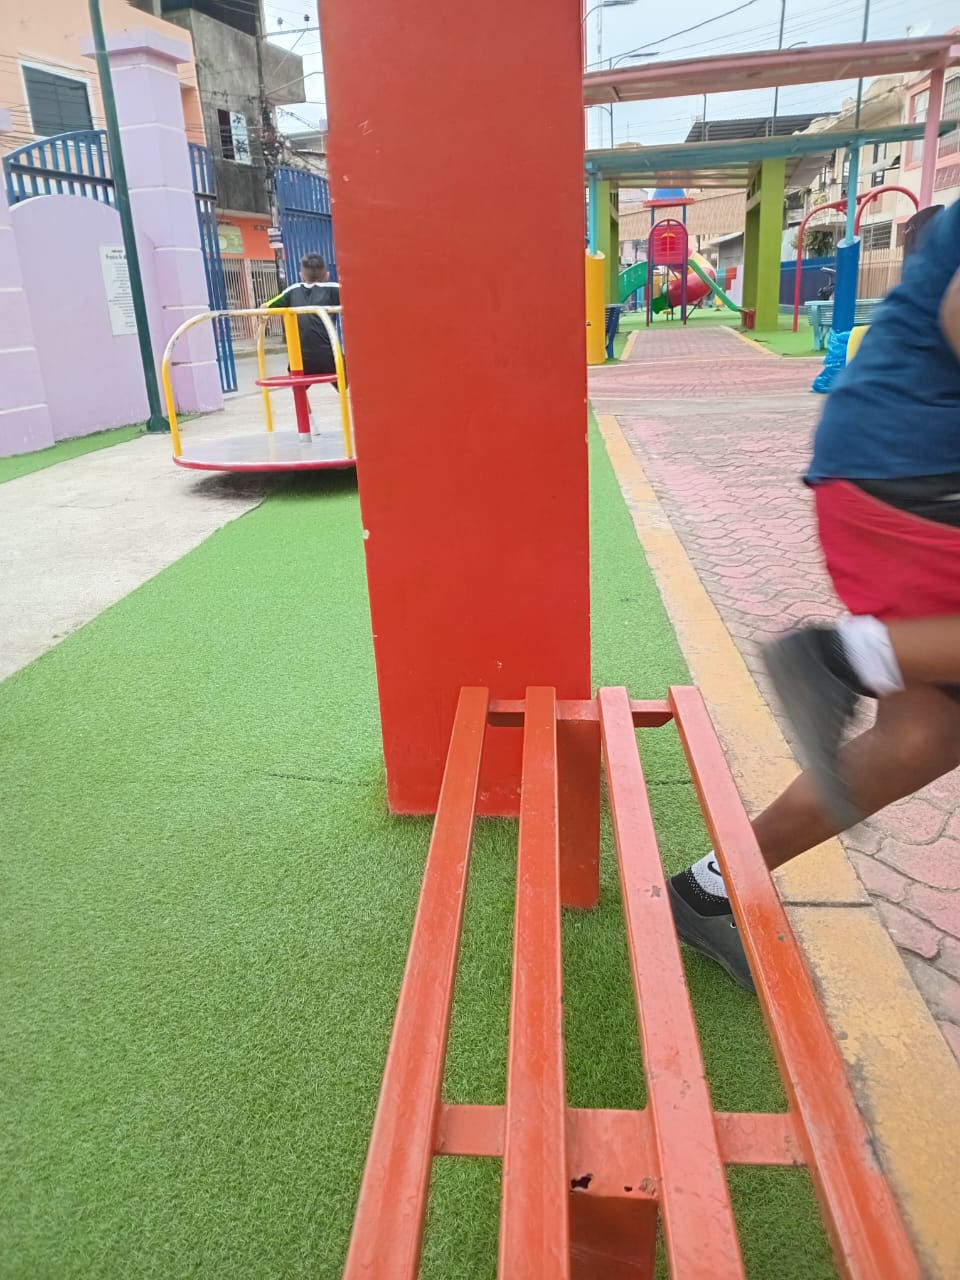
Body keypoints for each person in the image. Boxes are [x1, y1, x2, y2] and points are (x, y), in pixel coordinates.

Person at [668, 198, 960, 992]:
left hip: (890, 463)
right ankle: (843, 658)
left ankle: (705, 890)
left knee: (922, 739)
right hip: (919, 471)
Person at [267, 253, 343, 386]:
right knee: (346, 376)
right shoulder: (334, 289)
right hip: (330, 358)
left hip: (301, 360)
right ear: (327, 275)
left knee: (297, 383)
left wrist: (264, 316)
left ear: (301, 276)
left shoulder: (293, 291)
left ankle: (302, 399)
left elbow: (266, 306)